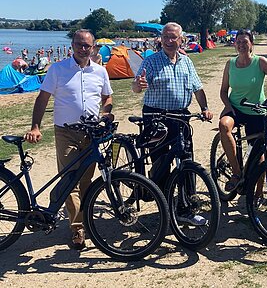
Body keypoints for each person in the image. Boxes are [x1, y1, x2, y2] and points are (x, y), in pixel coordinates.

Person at [24, 29, 114, 250]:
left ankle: (84, 221)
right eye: (79, 44)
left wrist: (107, 111)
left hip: (90, 133)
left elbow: (107, 96)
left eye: (87, 45)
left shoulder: (100, 72)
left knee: (86, 181)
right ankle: (77, 229)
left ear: (93, 47)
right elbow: (42, 97)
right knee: (69, 180)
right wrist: (36, 126)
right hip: (65, 132)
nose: (83, 49)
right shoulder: (58, 69)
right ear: (72, 45)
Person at [132, 22, 213, 224]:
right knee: (161, 162)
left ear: (181, 39)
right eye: (166, 37)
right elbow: (136, 86)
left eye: (173, 37)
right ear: (160, 38)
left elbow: (197, 88)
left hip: (181, 117)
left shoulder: (186, 62)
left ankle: (186, 207)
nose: (169, 41)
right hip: (155, 116)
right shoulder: (151, 61)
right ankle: (161, 201)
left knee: (186, 160)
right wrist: (138, 85)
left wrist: (204, 108)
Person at [219, 29, 267, 192]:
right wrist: (227, 105)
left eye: (245, 42)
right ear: (234, 44)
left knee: (260, 156)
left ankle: (258, 192)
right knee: (224, 126)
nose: (241, 45)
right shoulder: (230, 64)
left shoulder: (259, 62)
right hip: (235, 109)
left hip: (256, 111)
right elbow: (223, 90)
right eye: (238, 42)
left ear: (251, 44)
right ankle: (237, 173)